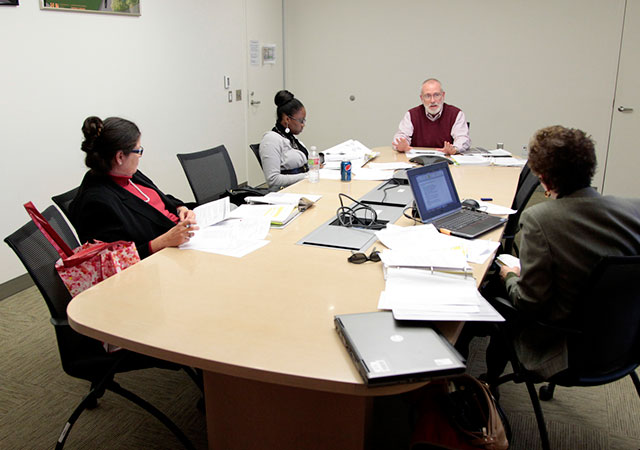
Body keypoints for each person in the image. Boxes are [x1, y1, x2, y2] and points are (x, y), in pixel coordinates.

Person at [492, 125, 640, 379]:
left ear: (545, 179)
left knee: (489, 292)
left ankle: (484, 385)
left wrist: (510, 275)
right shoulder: (634, 209)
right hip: (627, 342)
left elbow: (529, 304)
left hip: (569, 351)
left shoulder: (541, 219)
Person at [70, 116, 198, 259]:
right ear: (120, 157)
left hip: (184, 240)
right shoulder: (96, 202)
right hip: (161, 260)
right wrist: (164, 241)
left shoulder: (129, 174)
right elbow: (115, 260)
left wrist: (181, 208)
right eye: (138, 151)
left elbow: (159, 198)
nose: (140, 156)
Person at [392, 78, 470, 155]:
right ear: (421, 98)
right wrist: (401, 145)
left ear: (443, 96)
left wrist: (455, 149)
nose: (432, 100)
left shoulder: (456, 114)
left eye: (436, 95)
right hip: (417, 161)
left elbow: (462, 138)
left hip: (447, 161)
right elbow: (401, 136)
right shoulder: (411, 115)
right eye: (427, 96)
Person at [259, 90, 309, 188]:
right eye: (300, 120)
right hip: (287, 193)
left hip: (302, 186)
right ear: (287, 119)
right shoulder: (271, 140)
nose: (303, 125)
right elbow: (273, 180)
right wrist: (306, 176)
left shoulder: (290, 137)